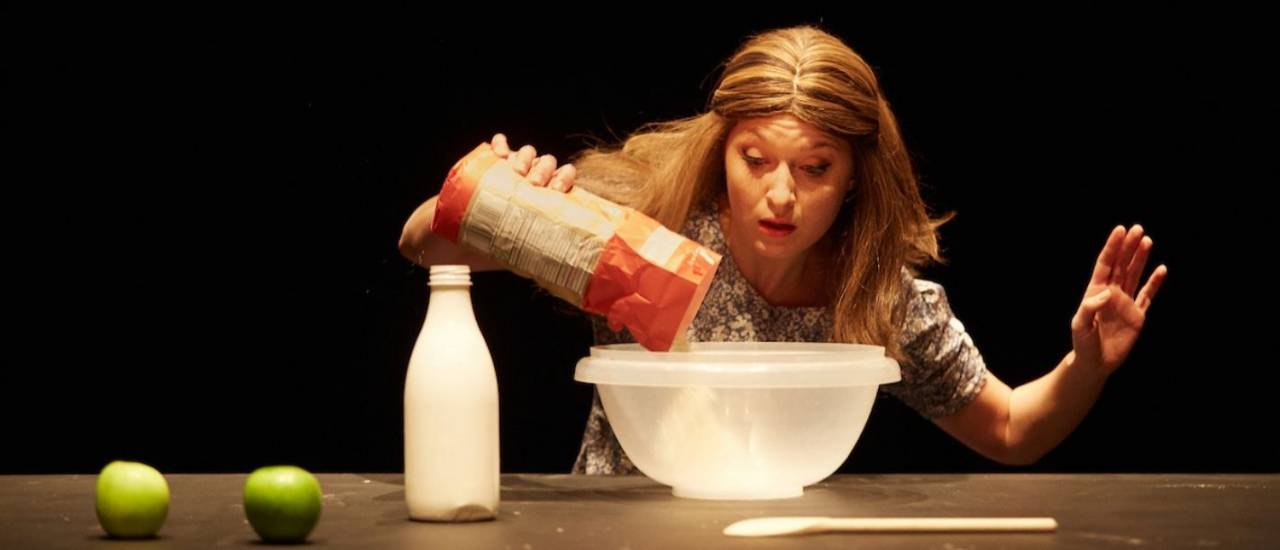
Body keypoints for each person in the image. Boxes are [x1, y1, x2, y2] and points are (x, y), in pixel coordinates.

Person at [398, 25, 1167, 474]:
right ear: (721, 148)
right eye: (755, 160)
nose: (780, 194)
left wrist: (1084, 366)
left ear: (856, 178)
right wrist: (494, 197)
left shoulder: (876, 297)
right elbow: (424, 245)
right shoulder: (647, 229)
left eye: (814, 168)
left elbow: (1009, 430)